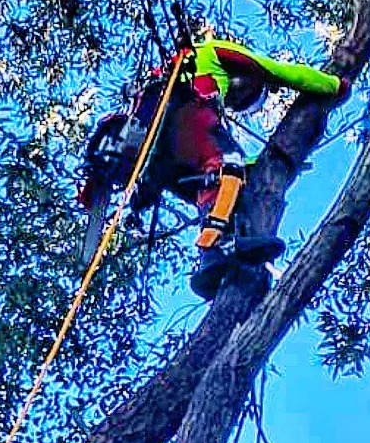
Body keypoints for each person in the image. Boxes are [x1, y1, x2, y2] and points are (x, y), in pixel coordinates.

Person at [139, 37, 349, 299]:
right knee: (227, 164)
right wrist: (334, 86)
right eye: (247, 100)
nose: (237, 103)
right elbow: (284, 72)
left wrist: (256, 166)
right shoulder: (212, 51)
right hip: (187, 114)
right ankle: (217, 245)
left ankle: (212, 258)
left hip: (161, 155)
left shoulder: (165, 77)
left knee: (212, 182)